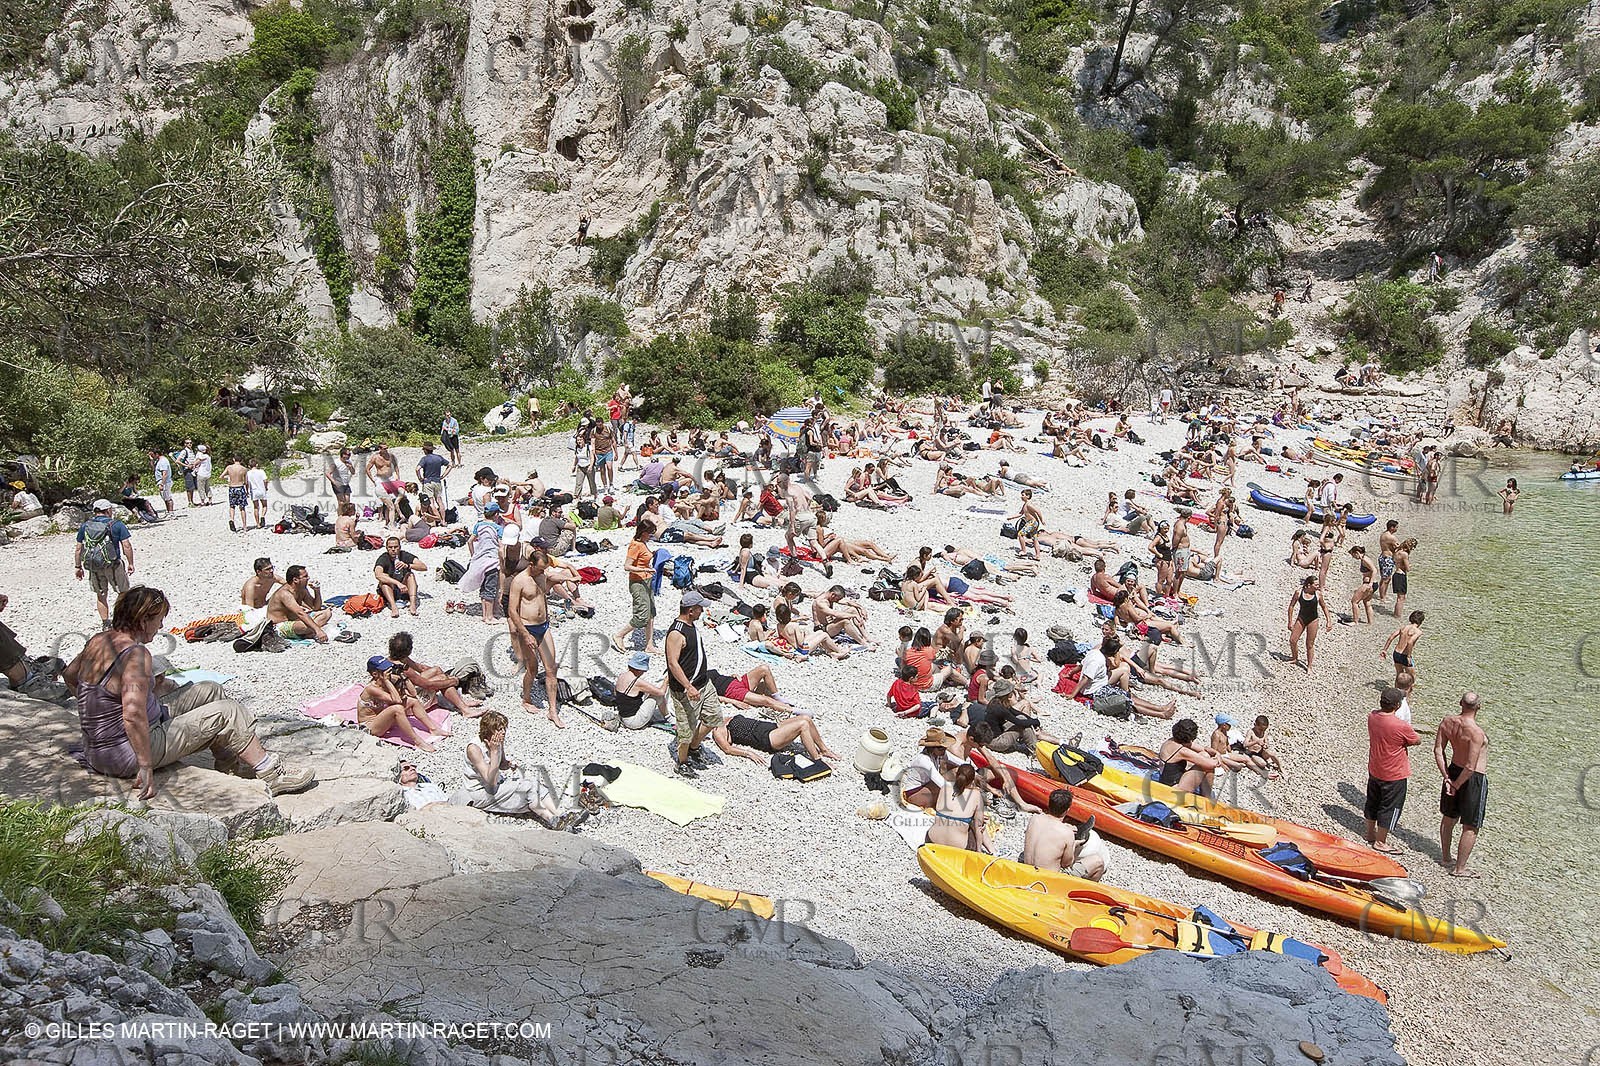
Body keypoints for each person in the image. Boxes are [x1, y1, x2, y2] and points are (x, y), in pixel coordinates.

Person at [63, 587, 315, 798]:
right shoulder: (136, 655)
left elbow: (70, 676)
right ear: (142, 621)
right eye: (158, 619)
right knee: (228, 712)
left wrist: (96, 716)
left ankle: (229, 764)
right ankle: (271, 772)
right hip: (124, 754)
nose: (161, 625)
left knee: (210, 690)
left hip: (99, 749)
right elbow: (131, 715)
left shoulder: (99, 640)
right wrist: (145, 765)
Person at [457, 711, 566, 824]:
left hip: (497, 783)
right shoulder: (474, 749)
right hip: (480, 791)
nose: (503, 732)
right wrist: (494, 752)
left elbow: (501, 764)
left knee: (535, 784)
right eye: (499, 729)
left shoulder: (497, 741)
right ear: (488, 731)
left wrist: (508, 764)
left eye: (504, 728)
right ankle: (552, 820)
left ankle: (561, 814)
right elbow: (491, 781)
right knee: (528, 788)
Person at [664, 590, 723, 777]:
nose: (702, 611)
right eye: (699, 608)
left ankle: (694, 747)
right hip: (686, 690)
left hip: (704, 683)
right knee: (686, 728)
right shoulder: (676, 633)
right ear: (690, 610)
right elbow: (672, 663)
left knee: (714, 717)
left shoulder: (691, 625)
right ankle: (682, 762)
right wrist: (688, 687)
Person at [508, 548, 565, 728]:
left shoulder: (541, 574)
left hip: (544, 626)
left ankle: (552, 710)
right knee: (532, 669)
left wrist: (570, 577)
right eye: (540, 569)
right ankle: (526, 698)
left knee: (551, 669)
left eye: (544, 569)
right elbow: (512, 611)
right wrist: (524, 634)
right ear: (531, 565)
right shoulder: (519, 581)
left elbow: (550, 581)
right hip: (528, 628)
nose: (543, 572)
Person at [1435, 692, 1489, 878]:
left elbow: (1438, 750)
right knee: (1471, 825)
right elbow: (1471, 766)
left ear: (1460, 703)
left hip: (1453, 771)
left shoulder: (1448, 722)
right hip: (1472, 779)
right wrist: (1457, 785)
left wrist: (1447, 777)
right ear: (1479, 707)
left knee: (1449, 817)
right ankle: (1460, 868)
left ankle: (1445, 857)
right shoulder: (1476, 733)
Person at [1364, 686, 1419, 854]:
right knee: (1391, 807)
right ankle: (1380, 841)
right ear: (1397, 705)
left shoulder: (1372, 716)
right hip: (1394, 773)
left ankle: (1369, 833)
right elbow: (1416, 740)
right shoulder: (1401, 725)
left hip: (1375, 768)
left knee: (1373, 801)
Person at [358, 656, 443, 751]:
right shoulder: (371, 689)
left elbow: (413, 693)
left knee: (412, 701)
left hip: (383, 719)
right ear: (375, 674)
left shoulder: (388, 681)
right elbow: (397, 701)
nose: (390, 671)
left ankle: (433, 729)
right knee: (397, 708)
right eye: (386, 669)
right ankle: (418, 741)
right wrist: (387, 681)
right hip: (371, 727)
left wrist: (404, 677)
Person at [388, 631, 483, 716]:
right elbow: (428, 685)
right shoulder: (404, 669)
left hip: (404, 691)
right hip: (408, 704)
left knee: (437, 670)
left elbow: (421, 668)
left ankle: (457, 700)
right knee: (442, 679)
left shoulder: (393, 659)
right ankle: (465, 710)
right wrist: (452, 681)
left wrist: (444, 675)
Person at [1021, 789, 1109, 880]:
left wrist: (1065, 828)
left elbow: (1049, 828)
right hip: (1048, 880)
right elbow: (1066, 864)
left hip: (1027, 871)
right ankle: (1084, 891)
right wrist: (1074, 844)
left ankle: (1077, 831)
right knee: (1098, 862)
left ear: (1049, 804)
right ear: (1067, 810)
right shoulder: (1067, 833)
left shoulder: (1034, 819)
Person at [75, 499, 134, 624]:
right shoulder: (117, 524)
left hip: (94, 565)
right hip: (114, 564)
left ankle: (105, 623)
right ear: (108, 510)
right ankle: (120, 619)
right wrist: (130, 563)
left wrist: (78, 566)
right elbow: (126, 545)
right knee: (122, 592)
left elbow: (79, 548)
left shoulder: (85, 526)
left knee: (101, 595)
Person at [712, 712, 840, 766]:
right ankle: (817, 761)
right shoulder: (718, 730)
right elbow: (727, 749)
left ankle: (824, 750)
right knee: (803, 725)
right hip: (766, 738)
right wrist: (748, 753)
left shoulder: (726, 718)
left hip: (770, 727)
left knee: (805, 718)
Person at [612, 522, 659, 654]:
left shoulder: (643, 542)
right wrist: (643, 569)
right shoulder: (635, 545)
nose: (651, 536)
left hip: (647, 580)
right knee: (642, 615)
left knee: (651, 613)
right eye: (650, 533)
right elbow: (627, 566)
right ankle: (619, 635)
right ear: (644, 532)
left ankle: (649, 645)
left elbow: (643, 558)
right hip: (638, 583)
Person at [929, 763, 990, 854]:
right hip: (957, 848)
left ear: (956, 775)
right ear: (972, 780)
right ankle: (993, 851)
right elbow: (978, 828)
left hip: (932, 841)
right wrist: (979, 851)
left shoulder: (944, 788)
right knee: (978, 826)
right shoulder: (976, 795)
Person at [1157, 718, 1222, 796]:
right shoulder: (1181, 751)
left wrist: (1216, 752)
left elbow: (1204, 749)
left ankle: (1206, 795)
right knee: (1207, 765)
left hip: (1167, 780)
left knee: (1204, 755)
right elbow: (1212, 764)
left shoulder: (1172, 741)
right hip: (1174, 790)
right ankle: (1207, 797)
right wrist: (1218, 756)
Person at [267, 565, 331, 642]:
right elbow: (300, 613)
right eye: (305, 576)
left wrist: (317, 591)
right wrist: (318, 630)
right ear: (295, 580)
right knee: (306, 626)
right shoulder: (285, 594)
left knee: (327, 613)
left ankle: (309, 632)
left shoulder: (302, 589)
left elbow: (315, 607)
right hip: (280, 625)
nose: (308, 578)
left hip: (295, 620)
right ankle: (310, 631)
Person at [612, 651, 669, 730]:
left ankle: (662, 716)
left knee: (648, 693)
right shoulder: (637, 682)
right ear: (639, 670)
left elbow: (616, 693)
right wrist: (666, 681)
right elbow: (661, 692)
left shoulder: (622, 676)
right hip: (633, 722)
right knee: (657, 696)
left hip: (622, 716)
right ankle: (668, 718)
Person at [374, 536, 427, 617]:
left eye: (396, 547)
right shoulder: (383, 558)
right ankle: (393, 606)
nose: (393, 549)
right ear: (387, 548)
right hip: (390, 589)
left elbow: (423, 567)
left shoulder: (404, 555)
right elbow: (378, 575)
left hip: (404, 589)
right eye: (390, 547)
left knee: (410, 575)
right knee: (384, 579)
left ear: (400, 547)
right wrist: (397, 583)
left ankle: (413, 604)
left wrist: (408, 565)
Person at [1286, 575, 1328, 673]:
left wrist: (1328, 621)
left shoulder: (1318, 594)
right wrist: (1290, 621)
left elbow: (1324, 607)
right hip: (1301, 618)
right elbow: (1291, 606)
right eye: (1316, 584)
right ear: (1309, 585)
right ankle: (1295, 658)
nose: (1318, 586)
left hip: (1313, 620)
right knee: (1293, 640)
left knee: (1309, 644)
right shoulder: (1299, 592)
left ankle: (1309, 666)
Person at [1382, 611, 1425, 687]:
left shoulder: (1404, 627)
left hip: (1396, 653)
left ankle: (1396, 692)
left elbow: (1391, 637)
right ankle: (1406, 695)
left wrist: (1384, 650)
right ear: (1421, 622)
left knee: (1399, 675)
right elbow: (1410, 642)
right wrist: (1408, 656)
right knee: (1412, 677)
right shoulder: (1418, 632)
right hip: (1404, 655)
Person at [366, 444, 403, 526]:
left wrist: (397, 476)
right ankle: (380, 515)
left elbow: (396, 466)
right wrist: (373, 479)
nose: (386, 450)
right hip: (380, 478)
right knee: (380, 498)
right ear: (379, 449)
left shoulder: (391, 456)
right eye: (384, 448)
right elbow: (367, 468)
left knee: (393, 496)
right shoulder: (375, 457)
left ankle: (392, 516)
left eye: (387, 448)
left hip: (390, 478)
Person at [416, 443, 451, 515]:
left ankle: (437, 518)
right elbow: (450, 465)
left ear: (425, 450)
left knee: (431, 502)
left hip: (428, 482)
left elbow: (417, 469)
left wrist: (420, 478)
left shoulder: (424, 459)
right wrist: (443, 476)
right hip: (437, 481)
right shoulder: (439, 458)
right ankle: (443, 520)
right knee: (439, 501)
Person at [1347, 546, 1377, 624]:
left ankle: (1355, 621)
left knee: (1354, 601)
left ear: (1357, 553)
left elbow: (1374, 570)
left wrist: (1370, 583)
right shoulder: (1365, 558)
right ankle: (1370, 623)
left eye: (1353, 555)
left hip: (1368, 584)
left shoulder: (1365, 560)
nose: (1354, 558)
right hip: (1373, 584)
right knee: (1367, 602)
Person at [223, 455, 250, 532]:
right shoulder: (244, 469)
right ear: (241, 460)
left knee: (232, 506)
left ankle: (231, 519)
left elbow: (221, 476)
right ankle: (244, 526)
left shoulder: (229, 467)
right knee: (242, 508)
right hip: (240, 487)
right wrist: (247, 491)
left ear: (233, 459)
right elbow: (246, 482)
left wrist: (228, 478)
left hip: (232, 487)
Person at [1390, 538, 1415, 619]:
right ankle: (1397, 616)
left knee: (1399, 597)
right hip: (1401, 576)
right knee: (1401, 598)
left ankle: (1396, 614)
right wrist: (1410, 566)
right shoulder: (1404, 554)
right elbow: (1407, 568)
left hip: (1396, 574)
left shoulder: (1397, 551)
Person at [148, 450, 175, 516]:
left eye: (152, 455)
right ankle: (168, 512)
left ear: (157, 454)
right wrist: (151, 460)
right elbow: (154, 469)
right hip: (161, 481)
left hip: (165, 482)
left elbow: (164, 473)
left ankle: (171, 513)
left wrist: (162, 484)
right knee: (165, 497)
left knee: (168, 497)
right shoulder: (158, 461)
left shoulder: (163, 461)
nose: (152, 456)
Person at [174, 438, 199, 507]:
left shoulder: (191, 451)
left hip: (193, 470)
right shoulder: (184, 451)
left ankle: (192, 501)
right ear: (185, 444)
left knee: (192, 487)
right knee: (189, 486)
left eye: (190, 443)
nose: (190, 444)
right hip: (187, 470)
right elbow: (178, 461)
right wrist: (187, 466)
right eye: (188, 443)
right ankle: (190, 502)